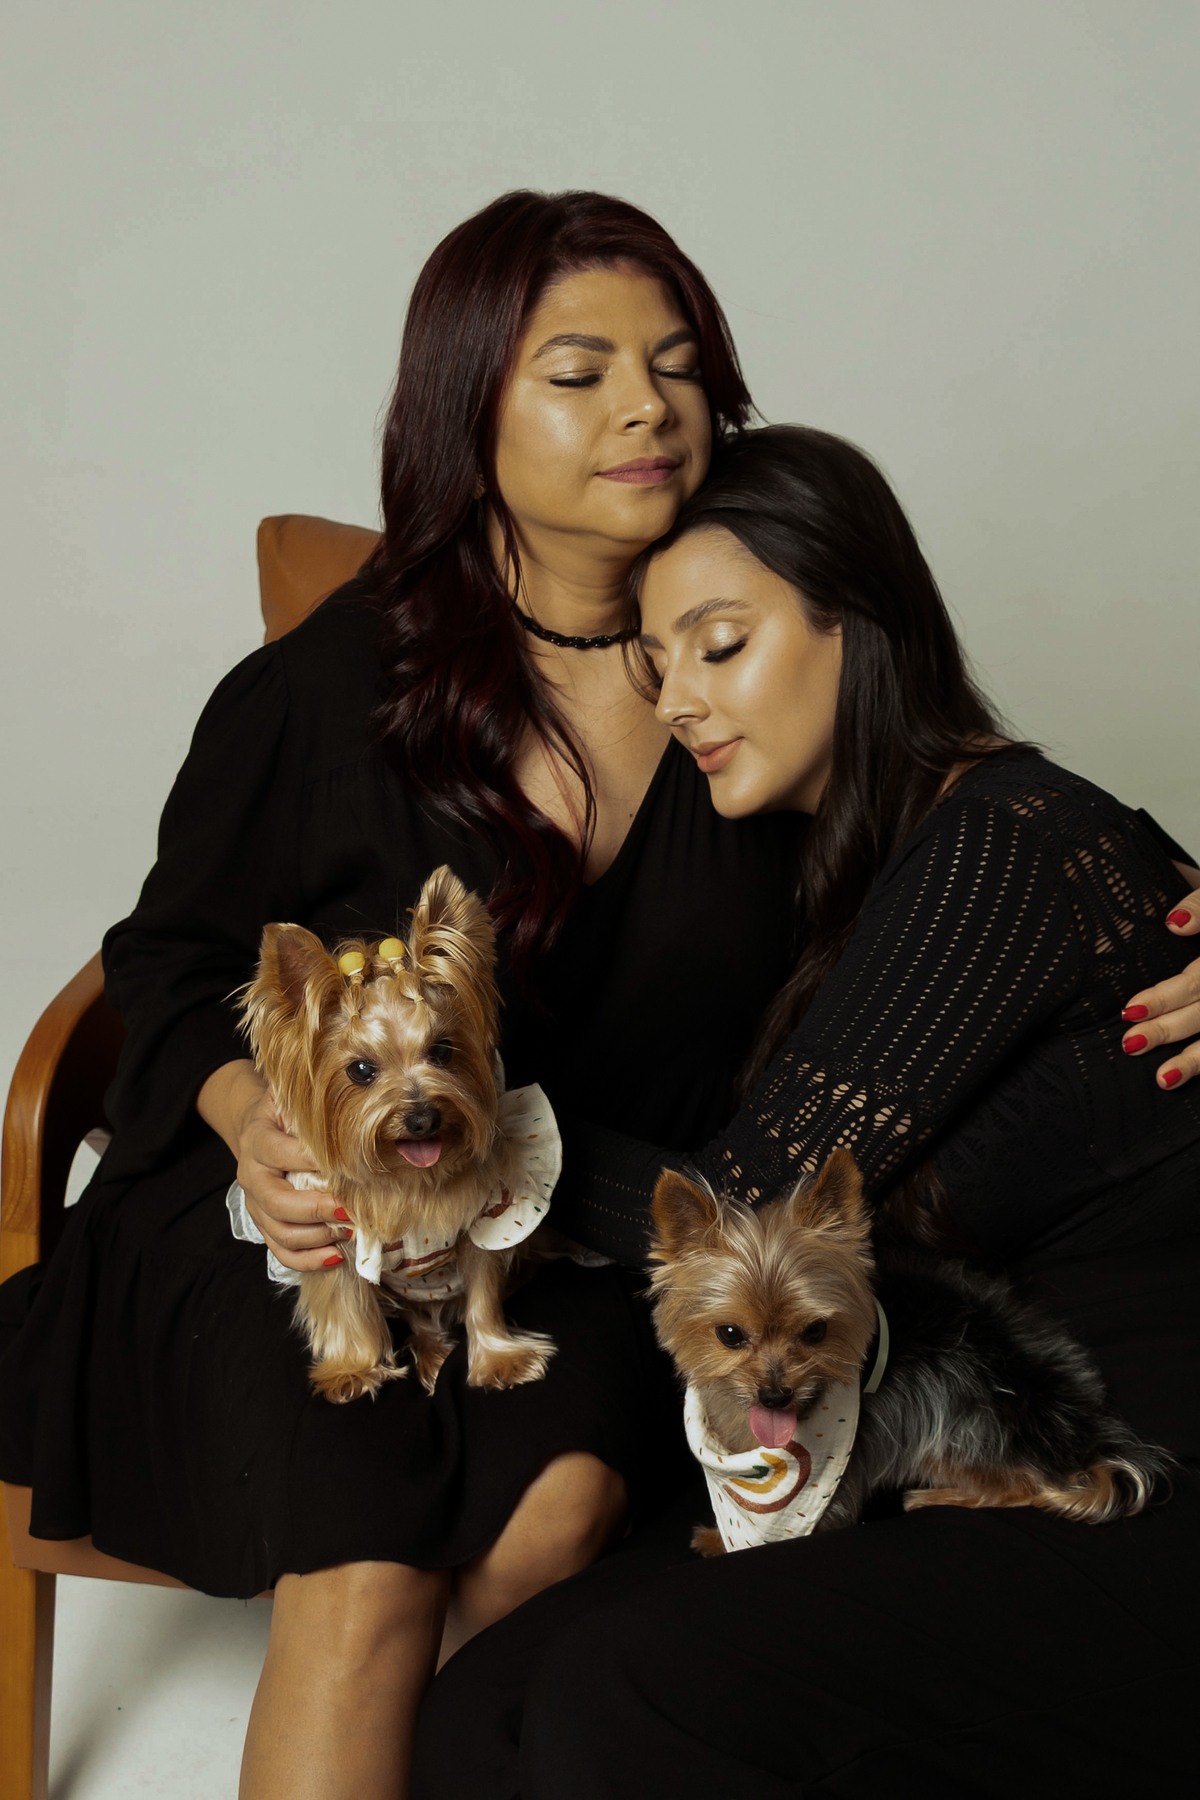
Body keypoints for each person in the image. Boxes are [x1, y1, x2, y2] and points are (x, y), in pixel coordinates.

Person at [0, 191, 806, 1800]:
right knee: (366, 1549)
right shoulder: (332, 682)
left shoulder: (768, 662)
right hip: (288, 1222)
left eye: (676, 366)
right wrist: (251, 1117)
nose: (649, 409)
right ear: (466, 410)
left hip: (572, 1225)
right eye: (579, 373)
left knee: (557, 1514)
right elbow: (166, 959)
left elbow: (985, 829)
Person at [412, 426, 1200, 1797]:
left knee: (616, 1691)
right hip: (930, 1445)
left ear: (863, 623)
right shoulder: (851, 880)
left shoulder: (1003, 842)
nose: (680, 701)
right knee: (483, 1705)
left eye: (721, 646)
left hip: (1122, 1468)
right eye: (657, 667)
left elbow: (745, 1211)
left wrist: (454, 1139)